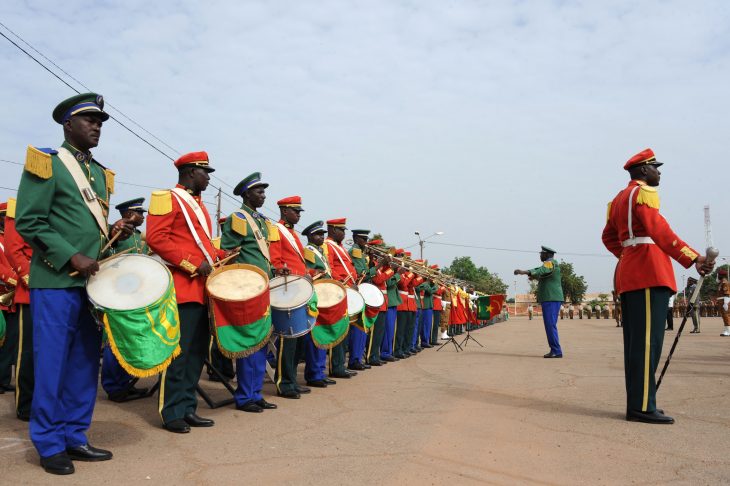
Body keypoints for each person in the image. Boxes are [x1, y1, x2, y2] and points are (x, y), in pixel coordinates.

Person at [15, 93, 134, 474]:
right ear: (68, 124)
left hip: (92, 285)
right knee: (52, 365)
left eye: (100, 121)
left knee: (85, 363)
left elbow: (88, 228)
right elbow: (30, 221)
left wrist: (110, 235)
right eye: (89, 120)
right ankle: (49, 444)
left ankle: (75, 436)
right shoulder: (47, 163)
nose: (97, 126)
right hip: (55, 280)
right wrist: (71, 256)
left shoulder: (100, 173)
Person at [602, 148, 713, 424]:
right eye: (655, 168)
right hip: (649, 272)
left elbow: (608, 237)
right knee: (648, 344)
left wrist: (628, 255)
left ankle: (641, 402)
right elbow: (659, 230)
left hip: (630, 273)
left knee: (636, 344)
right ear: (642, 171)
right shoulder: (644, 193)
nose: (658, 172)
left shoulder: (617, 200)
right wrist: (693, 257)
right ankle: (642, 406)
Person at [146, 151, 227, 433]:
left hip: (203, 289)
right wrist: (192, 263)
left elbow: (203, 245)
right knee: (179, 354)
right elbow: (156, 239)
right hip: (182, 287)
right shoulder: (167, 197)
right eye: (205, 173)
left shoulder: (199, 205)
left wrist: (223, 255)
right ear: (191, 172)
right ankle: (171, 412)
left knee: (195, 354)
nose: (208, 178)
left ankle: (187, 407)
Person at [219, 172, 279, 412]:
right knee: (249, 341)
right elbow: (228, 252)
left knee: (262, 341)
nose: (263, 195)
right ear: (246, 194)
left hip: (264, 286)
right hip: (247, 287)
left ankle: (255, 393)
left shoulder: (263, 221)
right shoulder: (238, 218)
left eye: (264, 191)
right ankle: (244, 396)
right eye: (258, 191)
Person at [100, 198, 149, 402]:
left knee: (129, 339)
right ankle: (113, 387)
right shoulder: (116, 232)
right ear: (128, 214)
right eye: (139, 213)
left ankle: (126, 383)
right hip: (117, 291)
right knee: (114, 340)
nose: (143, 216)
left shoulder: (138, 236)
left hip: (135, 293)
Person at [269, 196, 312, 399]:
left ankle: (292, 379)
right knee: (288, 337)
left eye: (299, 211)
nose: (298, 214)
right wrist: (296, 273)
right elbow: (276, 260)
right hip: (288, 289)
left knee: (299, 339)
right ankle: (283, 382)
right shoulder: (277, 230)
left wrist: (307, 274)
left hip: (299, 289)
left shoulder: (292, 233)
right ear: (284, 211)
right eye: (295, 211)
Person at [3, 198, 34, 420]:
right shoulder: (22, 209)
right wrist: (28, 278)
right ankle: (26, 403)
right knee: (28, 352)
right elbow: (15, 251)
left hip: (60, 288)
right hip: (31, 291)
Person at [301, 220, 337, 386]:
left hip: (324, 295)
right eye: (317, 234)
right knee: (315, 336)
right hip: (316, 295)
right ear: (310, 236)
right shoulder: (309, 251)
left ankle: (320, 371)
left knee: (323, 334)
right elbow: (309, 271)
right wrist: (317, 273)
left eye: (322, 234)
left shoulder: (320, 251)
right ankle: (314, 373)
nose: (321, 237)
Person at [324, 218, 361, 375]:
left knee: (344, 330)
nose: (344, 233)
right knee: (338, 330)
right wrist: (344, 283)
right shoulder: (328, 245)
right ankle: (336, 367)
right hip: (340, 290)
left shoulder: (340, 248)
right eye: (341, 230)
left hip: (348, 290)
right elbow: (330, 268)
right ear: (332, 230)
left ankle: (340, 365)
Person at [515, 246, 564, 358]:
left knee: (550, 325)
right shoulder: (550, 264)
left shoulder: (549, 262)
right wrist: (533, 275)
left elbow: (542, 270)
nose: (540, 255)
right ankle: (555, 350)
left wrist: (524, 272)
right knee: (550, 325)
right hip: (551, 298)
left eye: (541, 253)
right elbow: (540, 271)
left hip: (551, 298)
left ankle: (556, 350)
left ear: (547, 254)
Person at [717, 269, 730, 336]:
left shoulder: (725, 283)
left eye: (718, 274)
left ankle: (728, 331)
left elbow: (727, 294)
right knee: (724, 316)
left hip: (725, 301)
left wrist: (725, 303)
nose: (717, 276)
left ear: (721, 275)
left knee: (726, 316)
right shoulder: (721, 283)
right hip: (721, 301)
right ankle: (726, 329)